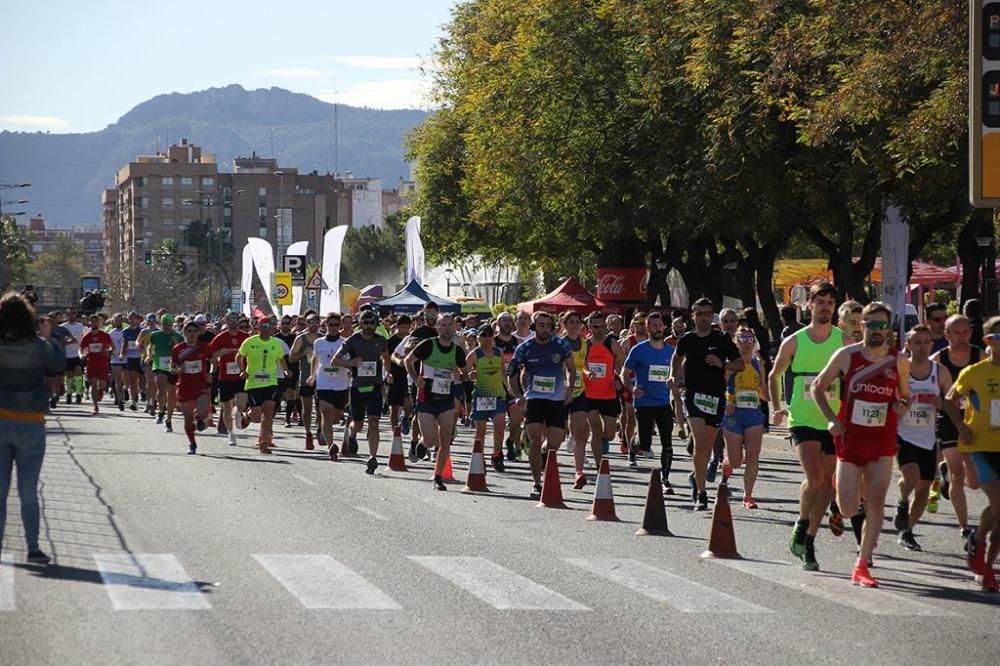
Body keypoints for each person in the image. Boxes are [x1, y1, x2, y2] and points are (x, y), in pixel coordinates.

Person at [813, 302, 910, 588]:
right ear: (863, 326)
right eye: (872, 325)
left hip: (882, 440)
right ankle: (838, 484)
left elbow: (906, 396)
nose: (878, 330)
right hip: (850, 438)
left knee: (877, 501)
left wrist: (902, 405)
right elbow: (818, 386)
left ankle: (862, 564)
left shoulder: (898, 361)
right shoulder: (846, 356)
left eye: (883, 326)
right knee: (847, 507)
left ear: (889, 330)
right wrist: (831, 419)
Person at [769, 282, 849, 570]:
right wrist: (778, 406)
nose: (826, 306)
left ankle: (810, 544)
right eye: (821, 301)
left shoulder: (844, 341)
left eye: (830, 301)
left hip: (833, 420)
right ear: (810, 305)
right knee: (815, 479)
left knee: (826, 486)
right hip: (802, 418)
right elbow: (774, 374)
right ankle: (802, 525)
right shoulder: (795, 340)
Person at [0, 292, 64, 565]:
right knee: (28, 490)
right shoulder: (38, 345)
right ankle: (33, 548)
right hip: (30, 424)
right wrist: (49, 336)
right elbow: (59, 365)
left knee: (0, 491)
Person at [894, 325, 963, 551]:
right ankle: (902, 501)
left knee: (924, 490)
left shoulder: (939, 371)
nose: (922, 347)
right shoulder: (901, 370)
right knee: (911, 477)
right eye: (917, 342)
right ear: (908, 345)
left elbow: (953, 402)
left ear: (931, 345)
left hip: (928, 437)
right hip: (903, 434)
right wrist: (899, 407)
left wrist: (940, 404)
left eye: (926, 342)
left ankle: (907, 532)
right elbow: (890, 400)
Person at [672, 298, 742, 511]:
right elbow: (676, 359)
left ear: (712, 316)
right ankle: (701, 494)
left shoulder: (721, 340)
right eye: (699, 314)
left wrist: (723, 364)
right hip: (693, 395)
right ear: (693, 316)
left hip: (716, 397)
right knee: (701, 443)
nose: (703, 318)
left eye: (707, 314)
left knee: (707, 446)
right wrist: (674, 379)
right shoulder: (687, 339)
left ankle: (696, 476)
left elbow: (740, 364)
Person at [948, 316, 1000, 591]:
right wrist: (961, 426)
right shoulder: (974, 373)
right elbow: (949, 400)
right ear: (989, 341)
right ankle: (980, 544)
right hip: (981, 446)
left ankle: (985, 563)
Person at [507, 311, 574, 499]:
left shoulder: (561, 345)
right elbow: (511, 372)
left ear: (552, 327)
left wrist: (568, 389)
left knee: (555, 442)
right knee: (535, 440)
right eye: (541, 325)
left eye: (547, 325)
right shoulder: (525, 348)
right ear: (534, 327)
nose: (544, 329)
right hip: (534, 399)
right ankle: (537, 483)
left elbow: (571, 368)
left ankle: (546, 451)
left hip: (556, 399)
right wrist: (518, 395)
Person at [930, 314, 982, 542]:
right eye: (956, 333)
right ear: (946, 335)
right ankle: (964, 526)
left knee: (974, 481)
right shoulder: (938, 360)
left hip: (976, 419)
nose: (962, 337)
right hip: (948, 419)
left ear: (971, 333)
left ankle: (945, 474)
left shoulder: (980, 356)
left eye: (965, 332)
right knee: (957, 474)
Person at [405, 313, 467, 491]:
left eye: (450, 325)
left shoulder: (457, 350)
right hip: (426, 399)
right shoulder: (428, 345)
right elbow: (408, 360)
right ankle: (423, 444)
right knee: (431, 440)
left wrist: (461, 375)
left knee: (445, 441)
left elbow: (463, 371)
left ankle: (438, 477)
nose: (447, 328)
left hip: (446, 399)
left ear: (454, 327)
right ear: (438, 328)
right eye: (444, 325)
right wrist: (416, 379)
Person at [622, 311, 679, 490]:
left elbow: (677, 374)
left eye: (660, 325)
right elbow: (624, 374)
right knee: (644, 444)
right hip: (644, 403)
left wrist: (676, 382)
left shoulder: (671, 351)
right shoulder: (638, 350)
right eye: (654, 325)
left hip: (663, 403)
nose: (658, 328)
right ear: (647, 328)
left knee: (667, 441)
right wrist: (632, 389)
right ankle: (633, 446)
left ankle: (665, 479)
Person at [332, 310, 390, 474]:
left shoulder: (381, 340)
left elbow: (386, 358)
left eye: (372, 323)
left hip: (375, 386)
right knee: (358, 425)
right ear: (360, 323)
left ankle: (373, 457)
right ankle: (352, 434)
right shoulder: (353, 340)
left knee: (374, 422)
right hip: (357, 386)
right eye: (366, 323)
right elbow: (335, 360)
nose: (369, 326)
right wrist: (351, 363)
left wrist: (389, 372)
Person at [723, 325, 768, 508]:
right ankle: (727, 463)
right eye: (742, 339)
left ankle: (747, 496)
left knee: (753, 455)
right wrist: (728, 402)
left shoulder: (759, 364)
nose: (746, 343)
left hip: (754, 414)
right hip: (734, 414)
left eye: (750, 339)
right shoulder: (733, 363)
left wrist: (772, 399)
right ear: (736, 341)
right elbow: (722, 385)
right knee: (736, 461)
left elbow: (763, 391)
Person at [237, 316, 288, 454]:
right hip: (254, 383)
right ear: (257, 328)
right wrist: (242, 370)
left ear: (272, 328)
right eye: (262, 327)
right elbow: (239, 356)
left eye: (268, 327)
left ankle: (264, 442)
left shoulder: (276, 343)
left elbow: (281, 359)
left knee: (268, 413)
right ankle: (247, 416)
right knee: (257, 414)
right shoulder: (249, 342)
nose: (265, 330)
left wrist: (286, 370)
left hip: (271, 382)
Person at [584, 311, 625, 476]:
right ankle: (599, 465)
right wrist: (587, 373)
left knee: (609, 434)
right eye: (595, 326)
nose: (599, 329)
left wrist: (619, 381)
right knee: (595, 429)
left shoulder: (613, 344)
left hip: (609, 394)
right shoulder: (585, 344)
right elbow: (581, 366)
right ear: (589, 327)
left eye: (602, 326)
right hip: (590, 394)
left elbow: (623, 366)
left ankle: (601, 442)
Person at [309, 312, 351, 461]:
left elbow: (349, 361)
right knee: (326, 413)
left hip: (341, 384)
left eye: (335, 325)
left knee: (336, 416)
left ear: (339, 326)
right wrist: (312, 376)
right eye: (330, 325)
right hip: (323, 383)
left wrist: (349, 370)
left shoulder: (345, 342)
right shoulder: (319, 342)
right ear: (325, 325)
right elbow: (315, 359)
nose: (333, 328)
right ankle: (331, 446)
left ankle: (324, 431)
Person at [467, 323, 508, 472]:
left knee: (499, 425)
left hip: (498, 396)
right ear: (478, 337)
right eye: (483, 335)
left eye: (489, 335)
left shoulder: (499, 353)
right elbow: (463, 372)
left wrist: (509, 388)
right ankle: (480, 457)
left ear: (493, 337)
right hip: (481, 397)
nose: (486, 338)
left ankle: (497, 455)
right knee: (481, 432)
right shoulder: (474, 355)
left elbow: (503, 371)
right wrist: (471, 375)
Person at [171, 321, 214, 455]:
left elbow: (214, 362)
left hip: (200, 385)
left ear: (198, 333)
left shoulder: (205, 347)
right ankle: (192, 443)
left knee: (203, 414)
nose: (192, 334)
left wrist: (211, 374)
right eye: (188, 331)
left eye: (194, 331)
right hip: (184, 386)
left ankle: (199, 419)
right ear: (184, 333)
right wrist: (177, 370)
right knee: (188, 419)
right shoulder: (178, 349)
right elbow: (172, 367)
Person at [561, 311, 592, 484]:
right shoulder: (558, 343)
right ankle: (544, 451)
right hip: (560, 393)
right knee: (555, 437)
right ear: (564, 324)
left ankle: (579, 472)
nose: (574, 325)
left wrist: (588, 372)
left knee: (580, 433)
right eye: (571, 322)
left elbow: (584, 364)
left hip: (579, 391)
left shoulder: (585, 344)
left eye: (577, 322)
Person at [209, 312, 249, 447]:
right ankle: (231, 433)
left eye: (235, 319)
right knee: (226, 407)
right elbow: (211, 355)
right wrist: (221, 354)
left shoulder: (245, 336)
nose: (233, 322)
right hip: (225, 376)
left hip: (241, 375)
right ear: (226, 321)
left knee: (242, 404)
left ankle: (238, 412)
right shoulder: (220, 337)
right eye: (230, 319)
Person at [289, 312, 322, 450]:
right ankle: (308, 433)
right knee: (307, 408)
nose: (313, 323)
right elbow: (291, 358)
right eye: (310, 321)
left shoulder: (323, 338)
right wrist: (303, 353)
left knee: (321, 408)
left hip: (322, 377)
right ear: (306, 323)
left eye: (316, 321)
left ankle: (320, 429)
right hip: (305, 378)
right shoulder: (301, 339)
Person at [147, 314, 183, 432]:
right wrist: (149, 355)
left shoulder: (178, 336)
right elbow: (150, 346)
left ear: (172, 324)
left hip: (172, 367)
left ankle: (168, 420)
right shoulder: (155, 335)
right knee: (161, 386)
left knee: (171, 394)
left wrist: (176, 342)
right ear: (160, 324)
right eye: (164, 324)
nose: (167, 327)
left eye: (169, 325)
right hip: (159, 365)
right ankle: (161, 410)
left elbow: (181, 351)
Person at [79, 314, 113, 415]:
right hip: (91, 363)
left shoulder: (105, 335)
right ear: (90, 323)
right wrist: (81, 355)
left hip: (102, 363)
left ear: (99, 323)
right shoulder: (87, 336)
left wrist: (108, 351)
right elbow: (81, 349)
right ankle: (95, 406)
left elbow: (112, 346)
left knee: (102, 385)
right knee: (93, 384)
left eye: (96, 321)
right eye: (92, 321)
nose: (94, 323)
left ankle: (101, 390)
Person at [59, 309, 85, 405]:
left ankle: (78, 393)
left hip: (77, 353)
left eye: (73, 314)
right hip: (66, 354)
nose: (71, 316)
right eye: (69, 314)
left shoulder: (80, 326)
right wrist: (68, 342)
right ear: (66, 315)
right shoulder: (62, 327)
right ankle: (69, 393)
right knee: (69, 375)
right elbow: (59, 341)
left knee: (78, 372)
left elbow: (84, 337)